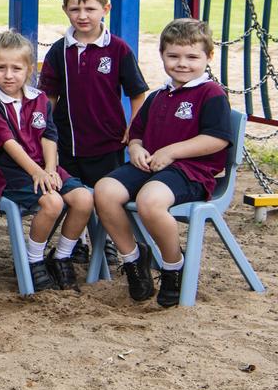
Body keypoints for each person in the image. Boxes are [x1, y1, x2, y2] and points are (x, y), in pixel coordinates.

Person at [94, 18, 232, 307]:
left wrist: (171, 152)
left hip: (190, 171)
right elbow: (138, 134)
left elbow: (217, 139)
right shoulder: (159, 96)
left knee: (149, 202)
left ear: (209, 57)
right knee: (104, 190)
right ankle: (133, 259)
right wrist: (135, 148)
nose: (182, 63)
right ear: (162, 56)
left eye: (192, 57)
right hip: (149, 166)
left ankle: (173, 267)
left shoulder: (212, 94)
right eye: (173, 56)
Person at [0, 30, 93, 293]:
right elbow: (9, 143)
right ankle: (33, 259)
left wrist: (50, 169)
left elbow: (49, 135)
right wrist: (37, 172)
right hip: (11, 173)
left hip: (43, 166)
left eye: (16, 68)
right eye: (1, 67)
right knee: (52, 202)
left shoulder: (38, 98)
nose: (8, 75)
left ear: (29, 69)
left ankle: (61, 256)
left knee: (84, 199)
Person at [39, 0, 149, 188]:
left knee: (103, 197)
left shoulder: (118, 49)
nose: (82, 16)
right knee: (72, 199)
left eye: (90, 9)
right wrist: (44, 128)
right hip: (67, 142)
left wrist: (134, 126)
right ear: (64, 10)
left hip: (108, 142)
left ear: (105, 9)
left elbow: (137, 93)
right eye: (74, 10)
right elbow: (49, 96)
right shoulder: (58, 50)